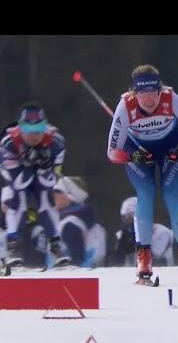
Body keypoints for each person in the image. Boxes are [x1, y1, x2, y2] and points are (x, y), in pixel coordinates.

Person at [105, 64, 178, 284]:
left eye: (154, 94)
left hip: (171, 150)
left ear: (160, 91)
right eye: (143, 95)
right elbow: (113, 153)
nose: (149, 100)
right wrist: (132, 158)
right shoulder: (125, 106)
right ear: (135, 93)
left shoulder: (172, 99)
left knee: (171, 195)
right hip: (138, 153)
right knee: (146, 193)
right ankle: (143, 259)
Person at [0, 101, 69, 268]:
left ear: (45, 127)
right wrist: (30, 165)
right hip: (15, 174)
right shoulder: (8, 143)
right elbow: (18, 184)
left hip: (39, 175)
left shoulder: (56, 142)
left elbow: (52, 180)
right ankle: (13, 247)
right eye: (28, 130)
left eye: (38, 129)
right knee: (17, 201)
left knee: (46, 200)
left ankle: (56, 245)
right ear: (20, 127)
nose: (34, 135)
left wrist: (45, 168)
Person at [53, 176, 106, 267]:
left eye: (58, 192)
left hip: (64, 279)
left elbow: (75, 264)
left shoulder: (70, 225)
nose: (54, 196)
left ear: (70, 196)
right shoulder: (94, 226)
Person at [113, 196, 174, 267]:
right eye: (125, 218)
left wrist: (137, 241)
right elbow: (116, 263)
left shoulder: (162, 232)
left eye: (130, 217)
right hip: (130, 276)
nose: (128, 222)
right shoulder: (122, 234)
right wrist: (121, 245)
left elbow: (154, 260)